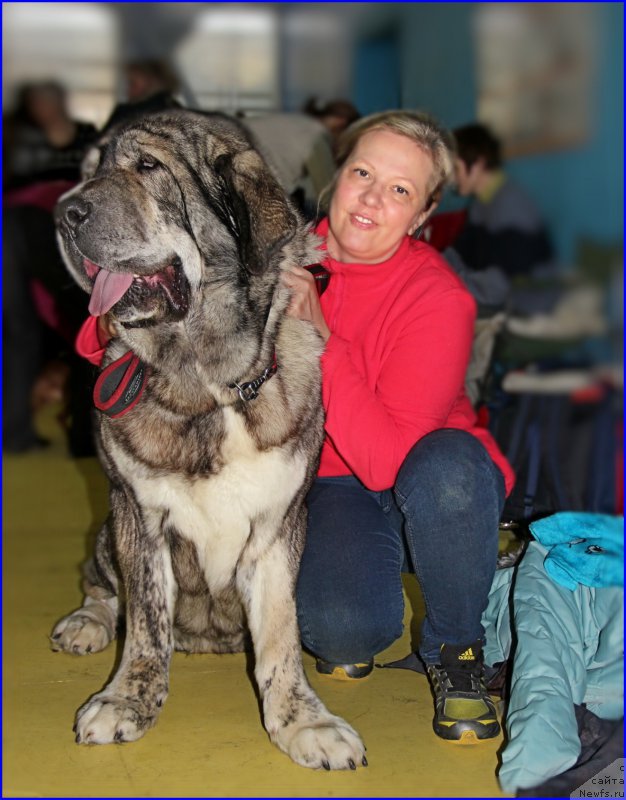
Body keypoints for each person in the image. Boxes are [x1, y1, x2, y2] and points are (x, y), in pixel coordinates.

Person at [281, 110, 515, 743]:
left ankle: (458, 647)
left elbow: (387, 462)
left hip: (428, 472)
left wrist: (322, 339)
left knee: (449, 466)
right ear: (337, 177)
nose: (372, 198)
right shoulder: (282, 257)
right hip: (333, 482)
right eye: (363, 172)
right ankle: (434, 558)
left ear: (421, 215)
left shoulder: (439, 298)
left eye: (400, 190)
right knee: (342, 632)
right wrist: (105, 327)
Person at [3, 81, 98, 454]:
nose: (43, 107)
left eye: (47, 99)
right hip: (19, 229)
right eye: (35, 102)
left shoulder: (89, 136)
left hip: (68, 237)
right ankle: (18, 433)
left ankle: (83, 437)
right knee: (20, 333)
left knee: (80, 324)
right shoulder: (19, 137)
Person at [442, 123, 555, 313]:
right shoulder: (482, 203)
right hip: (498, 298)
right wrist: (429, 265)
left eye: (455, 168)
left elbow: (499, 288)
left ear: (477, 164)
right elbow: (460, 254)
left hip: (526, 308)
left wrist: (448, 282)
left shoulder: (511, 206)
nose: (451, 178)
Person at [101, 59, 183, 133]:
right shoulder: (181, 114)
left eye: (132, 84)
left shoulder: (126, 114)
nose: (128, 92)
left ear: (153, 79)